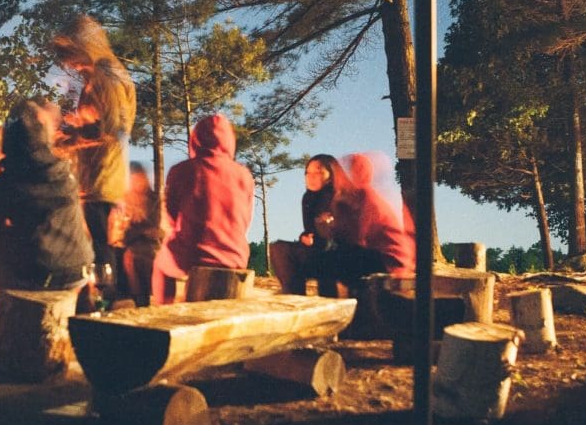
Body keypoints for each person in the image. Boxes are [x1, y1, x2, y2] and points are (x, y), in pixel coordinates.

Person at [0, 97, 94, 303]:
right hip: (78, 271)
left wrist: (17, 240)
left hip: (37, 275)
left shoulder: (4, 180)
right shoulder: (64, 171)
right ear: (43, 134)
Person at [51, 14, 137, 296]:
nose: (68, 64)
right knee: (102, 247)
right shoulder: (100, 76)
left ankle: (109, 311)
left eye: (71, 55)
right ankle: (115, 306)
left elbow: (114, 128)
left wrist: (71, 139)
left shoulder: (107, 74)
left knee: (101, 249)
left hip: (102, 179)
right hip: (97, 178)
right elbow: (101, 122)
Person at [152, 114, 255, 304]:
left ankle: (162, 311)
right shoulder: (244, 175)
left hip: (195, 254)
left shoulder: (181, 170)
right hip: (235, 255)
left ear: (195, 140)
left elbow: (171, 216)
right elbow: (246, 219)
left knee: (160, 264)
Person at [312, 153, 415, 296]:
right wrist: (327, 228)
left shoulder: (366, 196)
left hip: (389, 259)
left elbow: (357, 238)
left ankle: (333, 306)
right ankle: (337, 304)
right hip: (373, 255)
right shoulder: (345, 199)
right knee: (327, 259)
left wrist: (331, 229)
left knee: (327, 261)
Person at [269, 154, 338, 296]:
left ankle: (330, 302)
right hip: (317, 251)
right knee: (279, 248)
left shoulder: (338, 197)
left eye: (318, 172)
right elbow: (309, 230)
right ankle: (294, 297)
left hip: (337, 255)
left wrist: (328, 226)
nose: (311, 177)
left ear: (331, 175)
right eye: (308, 172)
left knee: (328, 259)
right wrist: (305, 237)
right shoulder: (308, 198)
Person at [115, 162, 165, 306]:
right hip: (130, 243)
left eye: (138, 179)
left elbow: (156, 229)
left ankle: (145, 299)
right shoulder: (124, 199)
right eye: (133, 179)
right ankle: (139, 300)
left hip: (149, 244)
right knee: (129, 256)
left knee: (140, 257)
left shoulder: (154, 200)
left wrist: (143, 230)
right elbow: (123, 229)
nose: (136, 183)